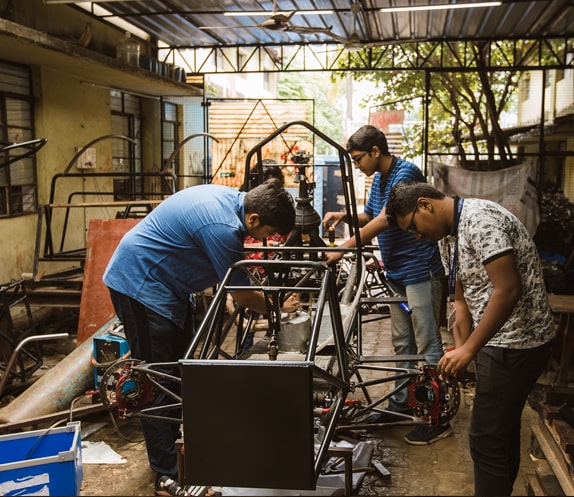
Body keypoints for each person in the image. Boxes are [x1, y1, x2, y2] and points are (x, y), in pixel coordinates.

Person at [103, 180, 299, 496]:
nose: (263, 241)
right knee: (157, 380)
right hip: (140, 284)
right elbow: (242, 294)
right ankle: (166, 475)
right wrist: (277, 305)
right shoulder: (222, 228)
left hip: (169, 288)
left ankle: (179, 451)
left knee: (182, 373)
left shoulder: (235, 202)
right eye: (266, 233)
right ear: (253, 220)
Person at [386, 181, 556, 496]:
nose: (418, 236)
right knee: (501, 432)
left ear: (425, 204)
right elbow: (462, 290)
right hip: (500, 340)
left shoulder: (480, 220)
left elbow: (508, 289)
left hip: (516, 342)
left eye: (413, 227)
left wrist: (470, 350)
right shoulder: (450, 232)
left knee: (486, 438)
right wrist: (463, 344)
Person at [322, 125, 450, 444]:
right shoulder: (378, 179)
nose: (356, 165)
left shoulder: (405, 174)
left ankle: (438, 416)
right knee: (402, 344)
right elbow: (369, 216)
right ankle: (398, 405)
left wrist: (341, 248)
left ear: (375, 151)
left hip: (419, 271)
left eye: (357, 159)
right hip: (397, 273)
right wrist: (343, 216)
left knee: (427, 342)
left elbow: (384, 220)